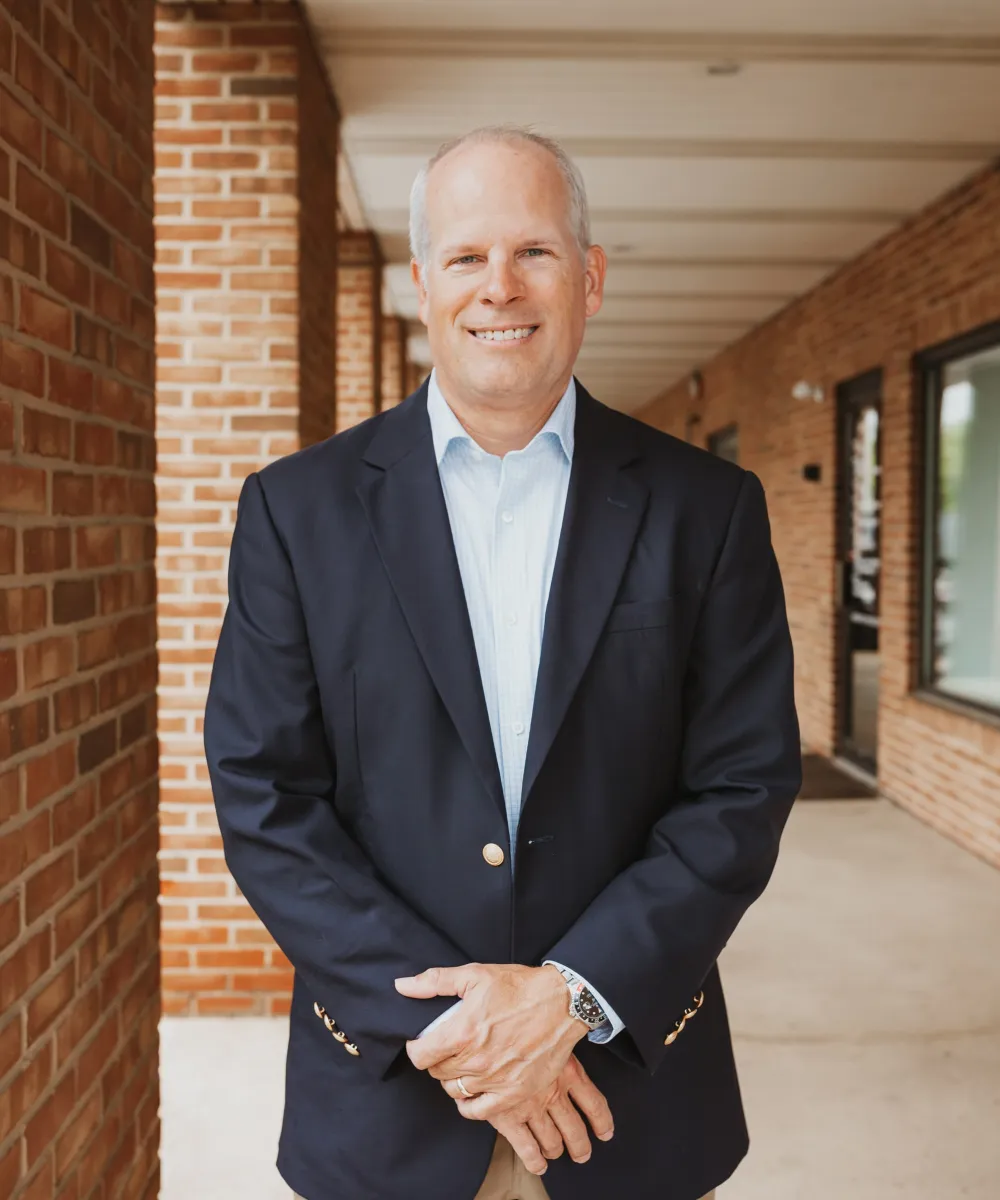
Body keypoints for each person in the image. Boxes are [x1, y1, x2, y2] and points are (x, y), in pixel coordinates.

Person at [203, 125, 802, 1200]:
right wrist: (466, 1028)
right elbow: (265, 795)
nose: (500, 288)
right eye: (468, 256)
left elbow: (742, 784)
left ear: (591, 277)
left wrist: (571, 995)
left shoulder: (705, 510)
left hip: (626, 1101)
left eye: (535, 251)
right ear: (424, 281)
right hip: (391, 1098)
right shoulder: (296, 513)